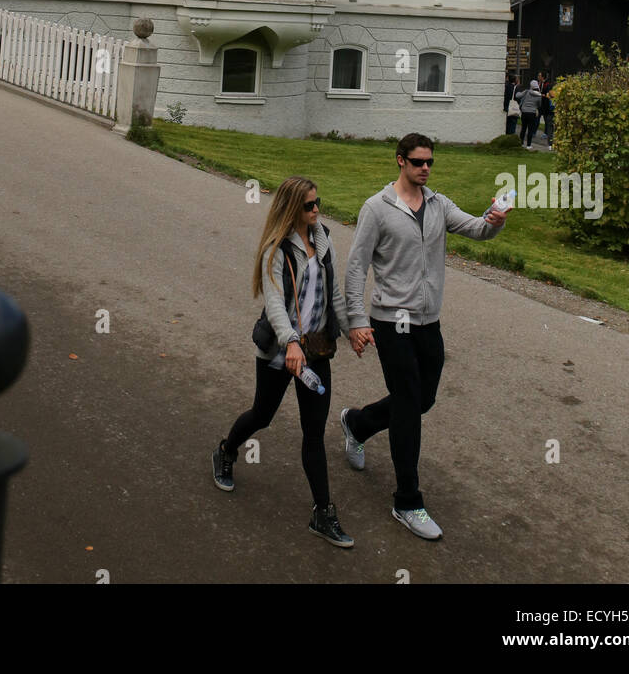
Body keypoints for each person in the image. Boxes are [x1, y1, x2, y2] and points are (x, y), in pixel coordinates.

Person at [340, 134, 508, 540]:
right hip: (390, 320)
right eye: (418, 162)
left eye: (430, 162)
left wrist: (495, 220)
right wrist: (358, 320)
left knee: (422, 399)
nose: (426, 168)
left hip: (428, 321)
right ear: (401, 162)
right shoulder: (376, 209)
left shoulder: (438, 205)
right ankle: (407, 501)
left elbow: (478, 231)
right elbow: (356, 267)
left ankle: (357, 424)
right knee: (408, 406)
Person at [211, 176, 355, 547]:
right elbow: (275, 305)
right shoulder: (276, 250)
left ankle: (323, 512)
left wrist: (355, 328)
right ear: (292, 209)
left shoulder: (323, 240)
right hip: (280, 351)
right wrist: (290, 343)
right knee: (262, 414)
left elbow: (332, 291)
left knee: (314, 432)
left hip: (316, 351)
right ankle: (226, 450)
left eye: (317, 202)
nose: (316, 209)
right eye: (309, 205)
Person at [516, 78, 542, 147]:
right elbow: (539, 105)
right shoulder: (539, 95)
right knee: (530, 129)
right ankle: (529, 145)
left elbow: (518, 96)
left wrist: (518, 91)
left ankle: (521, 143)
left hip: (524, 112)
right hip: (532, 113)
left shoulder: (527, 91)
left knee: (523, 128)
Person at [504, 71, 519, 136]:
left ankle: (507, 134)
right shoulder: (515, 88)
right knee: (513, 123)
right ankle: (511, 135)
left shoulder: (506, 86)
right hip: (513, 106)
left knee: (508, 123)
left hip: (507, 105)